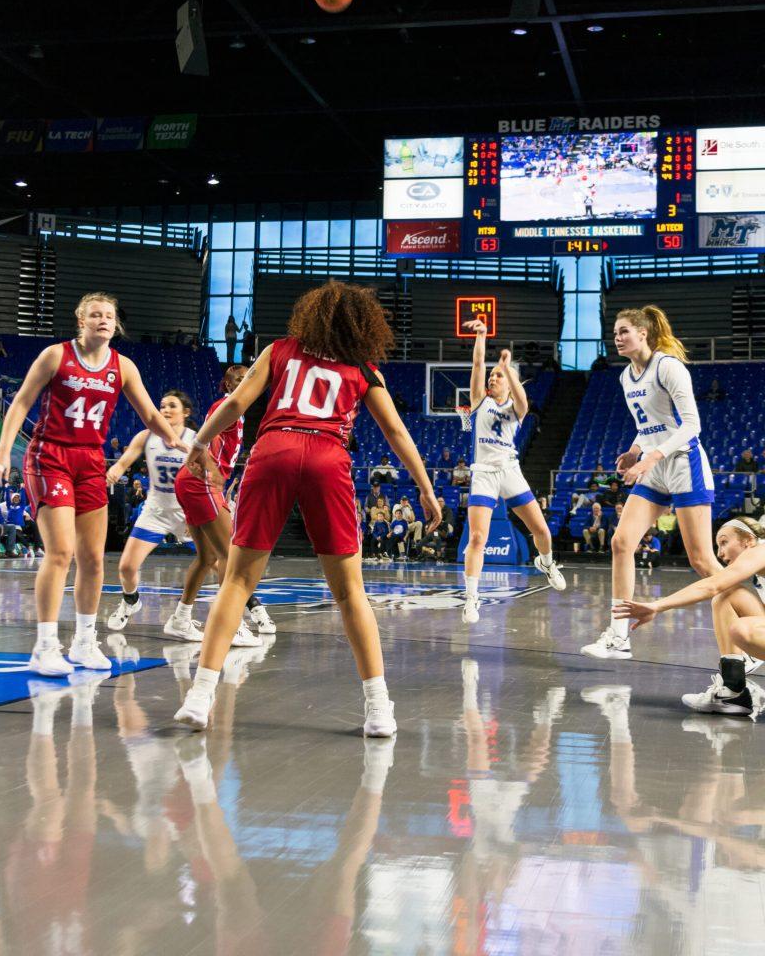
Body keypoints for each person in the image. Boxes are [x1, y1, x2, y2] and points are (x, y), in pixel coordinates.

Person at [174, 279, 440, 736]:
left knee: (236, 580)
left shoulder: (280, 349)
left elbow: (237, 402)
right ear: (363, 325)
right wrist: (424, 486)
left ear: (310, 315)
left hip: (273, 449)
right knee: (350, 591)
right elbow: (396, 431)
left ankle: (199, 697)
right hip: (326, 454)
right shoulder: (363, 368)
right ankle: (378, 708)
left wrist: (198, 442)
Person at [0, 292, 187, 677]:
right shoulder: (55, 356)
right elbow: (22, 403)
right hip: (50, 456)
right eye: (95, 314)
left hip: (91, 460)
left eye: (109, 315)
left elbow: (147, 412)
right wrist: (1, 453)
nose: (103, 320)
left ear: (116, 323)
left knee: (94, 560)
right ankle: (45, 647)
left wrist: (177, 441)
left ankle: (83, 642)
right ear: (81, 321)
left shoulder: (123, 366)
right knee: (60, 552)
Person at [581, 305, 718, 660]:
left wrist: (652, 457)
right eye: (615, 334)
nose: (618, 338)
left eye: (624, 331)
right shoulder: (626, 377)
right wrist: (633, 451)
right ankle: (619, 634)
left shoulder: (668, 366)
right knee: (622, 542)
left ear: (643, 333)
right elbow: (648, 427)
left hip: (684, 461)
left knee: (703, 562)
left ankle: (752, 614)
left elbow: (691, 426)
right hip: (653, 465)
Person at [460, 319, 565, 624]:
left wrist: (507, 368)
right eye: (492, 376)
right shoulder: (479, 402)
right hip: (483, 473)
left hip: (509, 470)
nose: (492, 378)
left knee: (542, 531)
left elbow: (523, 400)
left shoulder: (515, 410)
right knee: (478, 538)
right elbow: (478, 362)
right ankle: (471, 599)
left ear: (508, 381)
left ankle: (547, 563)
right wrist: (482, 335)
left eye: (498, 376)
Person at [615, 516, 765, 716]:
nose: (720, 553)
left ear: (748, 540)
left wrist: (656, 606)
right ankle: (732, 692)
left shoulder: (759, 551)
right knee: (726, 596)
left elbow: (712, 585)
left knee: (741, 629)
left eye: (724, 542)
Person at [169, 365, 273, 644]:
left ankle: (180, 619)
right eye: (237, 380)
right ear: (227, 385)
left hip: (191, 481)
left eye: (246, 380)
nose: (242, 384)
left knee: (207, 558)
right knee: (231, 555)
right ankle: (232, 625)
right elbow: (203, 437)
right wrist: (210, 468)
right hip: (198, 481)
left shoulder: (234, 410)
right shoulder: (227, 404)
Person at [104, 389, 204, 637]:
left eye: (172, 406)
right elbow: (124, 461)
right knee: (126, 567)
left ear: (186, 413)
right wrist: (115, 469)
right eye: (162, 406)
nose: (166, 410)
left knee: (218, 562)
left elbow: (205, 479)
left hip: (186, 510)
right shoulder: (146, 436)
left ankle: (248, 612)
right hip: (156, 510)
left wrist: (195, 513)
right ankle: (130, 600)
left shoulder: (196, 440)